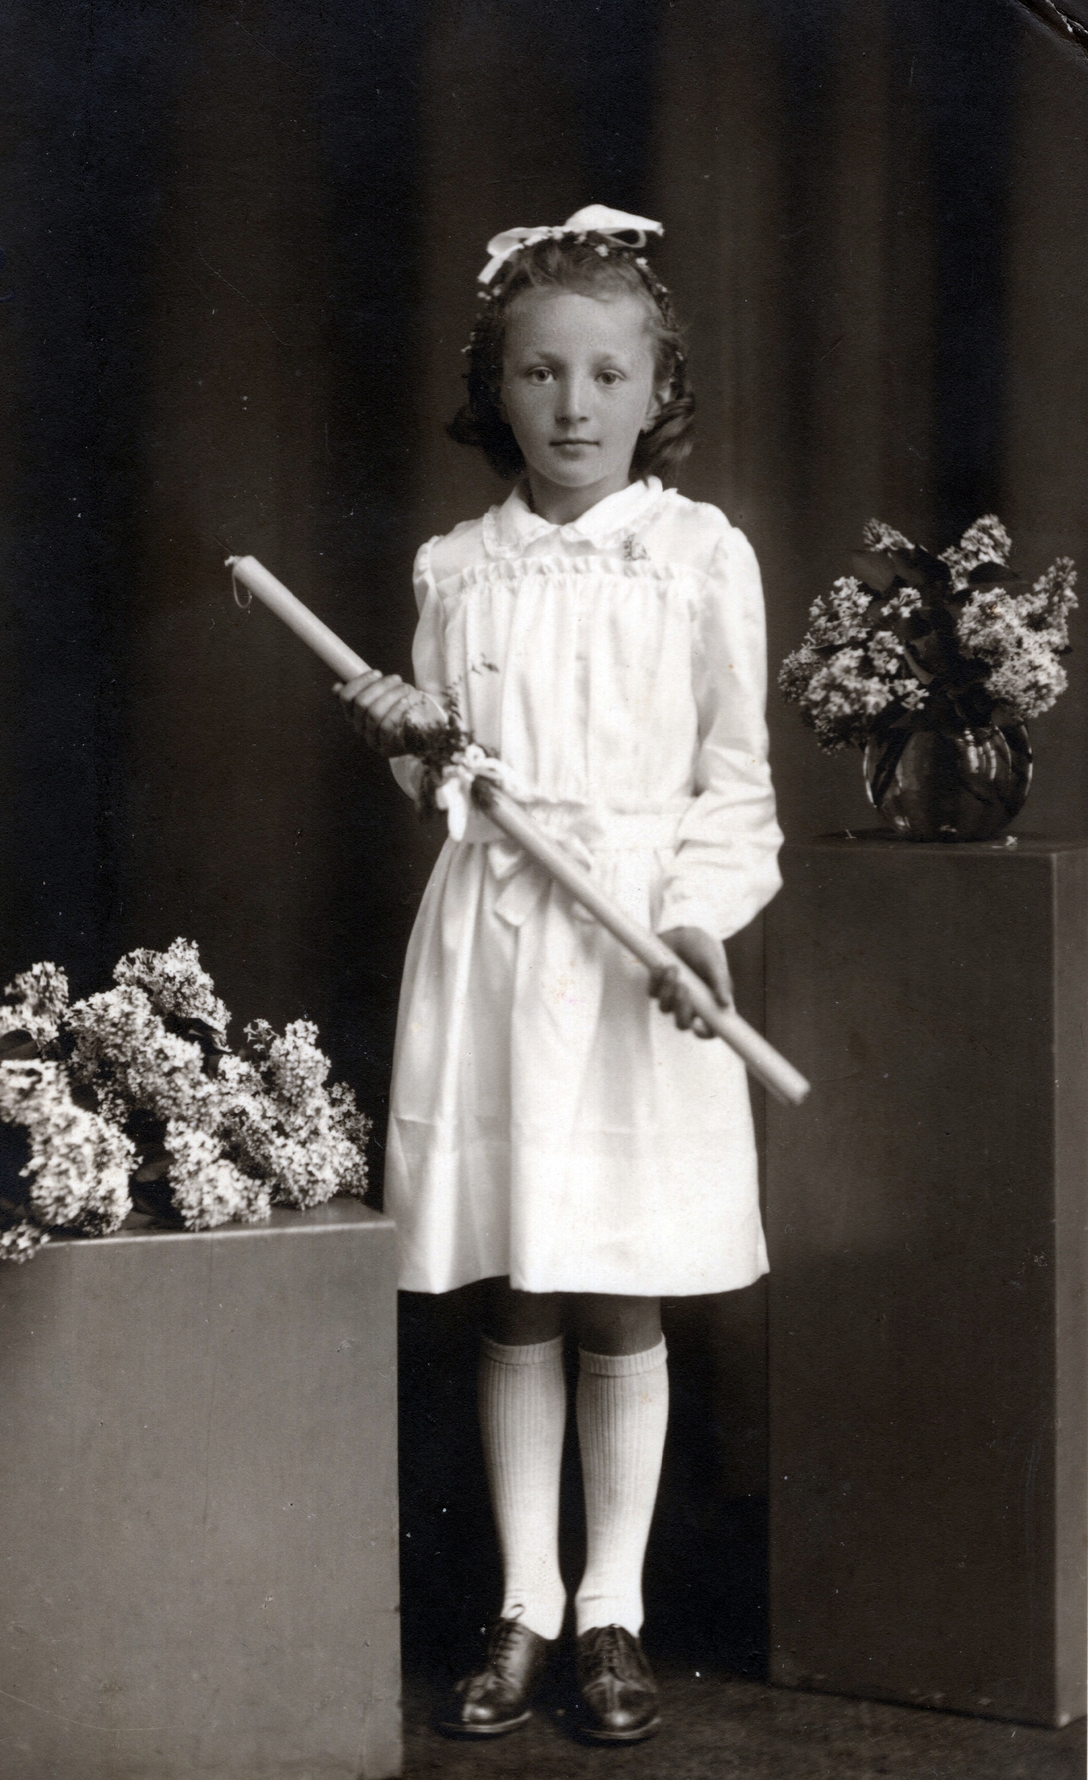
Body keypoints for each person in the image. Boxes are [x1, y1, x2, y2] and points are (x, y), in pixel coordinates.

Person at [339, 204, 783, 1744]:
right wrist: (406, 742)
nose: (573, 406)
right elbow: (453, 782)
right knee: (520, 1281)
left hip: (630, 946)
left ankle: (614, 1611)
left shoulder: (696, 555)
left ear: (658, 387)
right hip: (498, 945)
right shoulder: (457, 568)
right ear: (496, 386)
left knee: (616, 1284)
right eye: (538, 373)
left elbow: (735, 782)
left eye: (605, 374)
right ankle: (523, 1603)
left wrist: (698, 923)